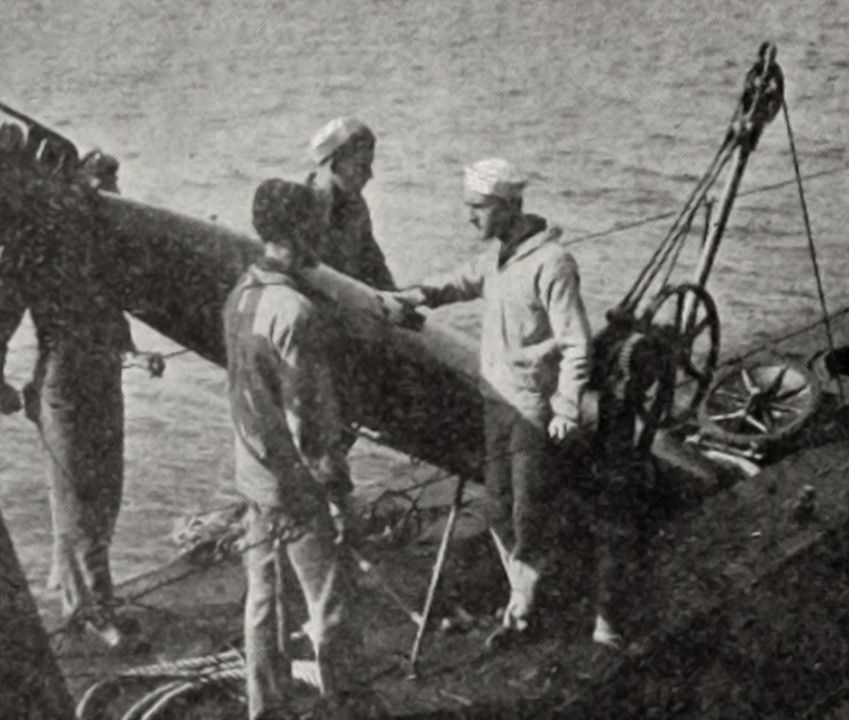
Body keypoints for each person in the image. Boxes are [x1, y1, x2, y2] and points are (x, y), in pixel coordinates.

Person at [385, 158, 603, 646]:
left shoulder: (552, 263)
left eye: (478, 207)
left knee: (528, 511)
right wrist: (418, 295)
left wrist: (566, 407)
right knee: (499, 507)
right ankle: (525, 594)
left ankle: (525, 609)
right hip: (496, 401)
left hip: (531, 407)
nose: (469, 216)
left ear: (510, 206)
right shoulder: (497, 256)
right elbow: (461, 282)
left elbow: (576, 343)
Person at [0, 150, 164, 650]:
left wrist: (136, 355)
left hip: (103, 377)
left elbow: (110, 317)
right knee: (79, 502)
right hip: (63, 387)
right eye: (101, 185)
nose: (110, 196)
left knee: (104, 495)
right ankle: (95, 611)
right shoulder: (40, 247)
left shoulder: (104, 246)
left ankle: (76, 597)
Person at [224, 179, 360, 720]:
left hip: (254, 475)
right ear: (298, 230)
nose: (323, 235)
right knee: (330, 604)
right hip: (297, 488)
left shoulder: (240, 294)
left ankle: (265, 708)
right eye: (315, 226)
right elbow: (311, 424)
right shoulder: (296, 312)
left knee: (264, 602)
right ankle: (342, 708)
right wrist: (339, 494)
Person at [307, 117, 396, 290]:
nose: (369, 175)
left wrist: (396, 297)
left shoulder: (355, 205)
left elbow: (373, 264)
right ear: (335, 163)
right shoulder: (301, 208)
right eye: (361, 166)